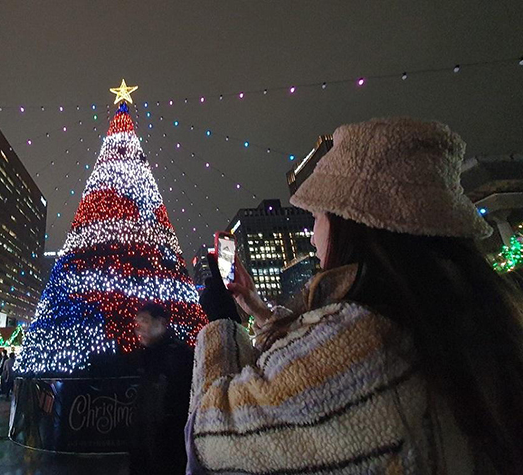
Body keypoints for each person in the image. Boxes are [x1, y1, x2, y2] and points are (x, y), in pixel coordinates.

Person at [189, 117, 523, 474]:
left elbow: (211, 429)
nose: (314, 235)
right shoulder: (470, 319)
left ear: (352, 224)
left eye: (317, 216)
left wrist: (220, 320)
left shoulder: (367, 339)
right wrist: (252, 303)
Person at [128, 302, 193, 475]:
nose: (139, 327)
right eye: (137, 322)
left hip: (170, 452)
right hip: (147, 451)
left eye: (145, 320)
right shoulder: (145, 357)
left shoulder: (179, 356)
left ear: (162, 323)